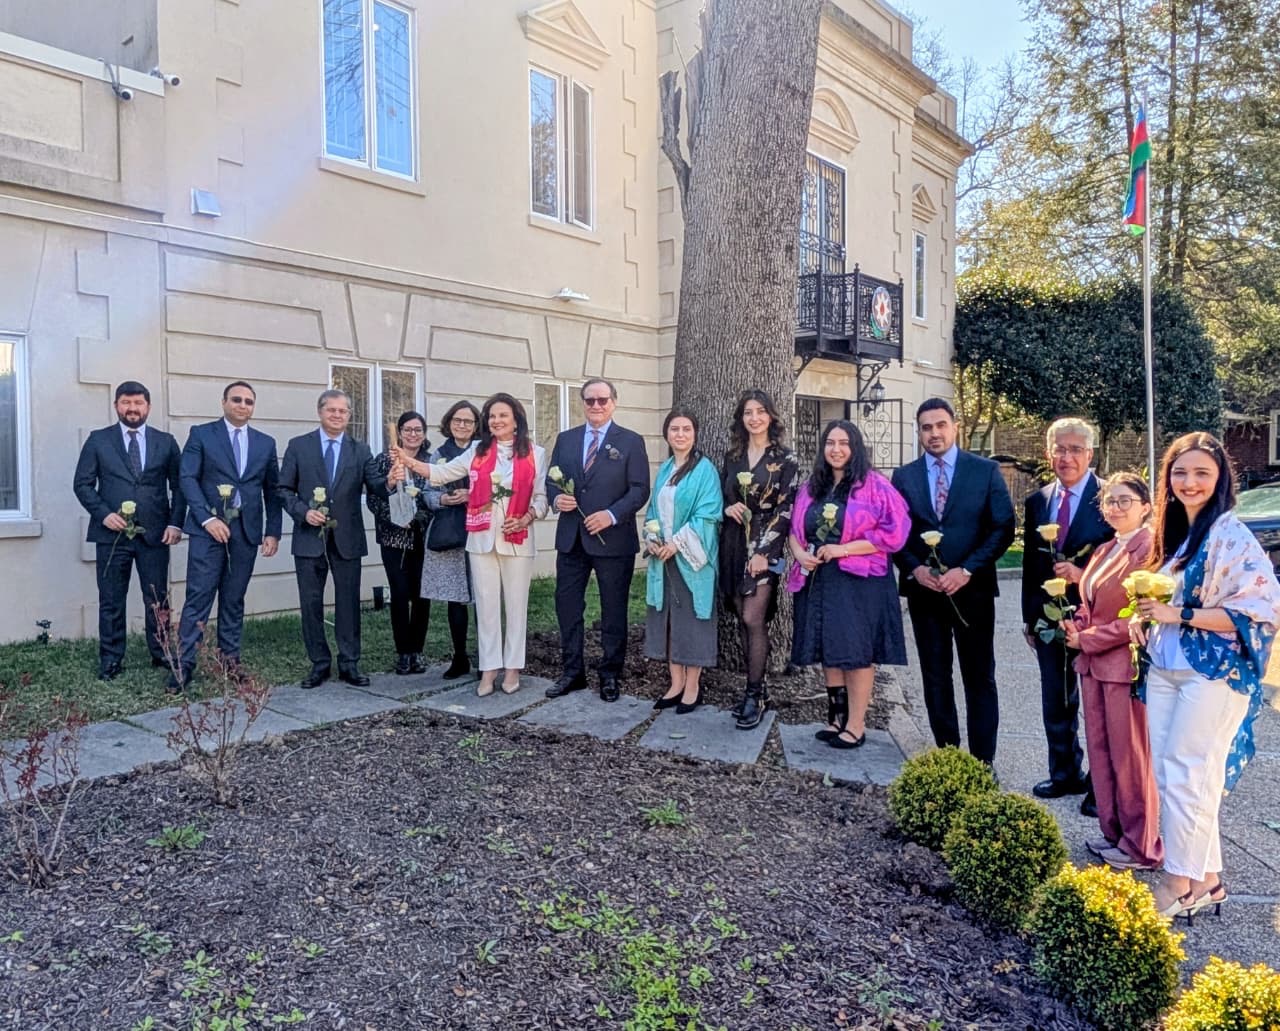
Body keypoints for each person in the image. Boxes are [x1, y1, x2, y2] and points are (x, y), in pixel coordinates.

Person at [1130, 432, 1280, 919]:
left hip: (1212, 673)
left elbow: (1261, 609)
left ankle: (1179, 883)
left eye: (1201, 473)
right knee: (1177, 774)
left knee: (1188, 772)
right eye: (1180, 472)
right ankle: (1209, 878)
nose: (1189, 482)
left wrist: (1180, 616)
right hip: (1166, 666)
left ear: (1220, 479)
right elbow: (1164, 600)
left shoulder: (1231, 534)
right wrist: (1144, 618)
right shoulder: (1175, 534)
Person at [393, 393, 548, 697]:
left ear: (516, 420)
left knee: (516, 607)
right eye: (491, 416)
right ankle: (489, 668)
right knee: (486, 607)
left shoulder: (535, 453)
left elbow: (541, 499)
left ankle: (513, 668)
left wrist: (527, 518)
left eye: (502, 415)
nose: (496, 421)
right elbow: (442, 473)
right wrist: (407, 460)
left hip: (517, 539)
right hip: (481, 539)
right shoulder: (478, 450)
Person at [891, 398, 1015, 766]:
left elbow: (1003, 528)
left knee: (979, 677)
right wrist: (915, 569)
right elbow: (895, 533)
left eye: (941, 425)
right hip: (925, 594)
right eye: (926, 427)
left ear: (955, 427)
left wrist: (967, 569)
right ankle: (948, 757)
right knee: (935, 675)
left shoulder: (985, 471)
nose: (934, 433)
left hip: (972, 592)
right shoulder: (905, 477)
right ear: (918, 432)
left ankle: (982, 763)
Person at [1063, 472, 1162, 871]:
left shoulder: (1149, 548)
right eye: (1109, 501)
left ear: (1145, 507)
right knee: (1102, 753)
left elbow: (1140, 618)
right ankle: (1114, 833)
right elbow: (1091, 601)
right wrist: (1076, 622)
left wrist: (1087, 638)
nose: (1115, 508)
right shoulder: (1106, 548)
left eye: (1124, 500)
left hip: (1124, 666)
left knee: (1130, 757)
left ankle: (1142, 846)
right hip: (1093, 667)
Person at [788, 420, 909, 748]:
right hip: (820, 579)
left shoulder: (874, 485)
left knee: (856, 651)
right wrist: (799, 554)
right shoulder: (812, 487)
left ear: (855, 447)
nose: (836, 449)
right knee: (829, 647)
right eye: (830, 443)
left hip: (859, 582)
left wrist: (843, 550)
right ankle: (836, 718)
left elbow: (895, 533)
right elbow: (795, 531)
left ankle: (856, 725)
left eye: (843, 443)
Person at [1022, 418, 1113, 813]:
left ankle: (1101, 787)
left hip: (1097, 618)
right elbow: (1031, 565)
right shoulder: (1037, 501)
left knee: (1099, 704)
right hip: (1050, 620)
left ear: (1089, 454)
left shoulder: (1110, 498)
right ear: (1049, 454)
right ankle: (1064, 773)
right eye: (1060, 449)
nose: (1067, 456)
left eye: (1076, 449)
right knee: (1056, 700)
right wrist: (1030, 619)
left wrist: (1084, 575)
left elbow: (1124, 559)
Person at [545, 378, 651, 702]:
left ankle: (610, 674)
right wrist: (556, 499)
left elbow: (640, 489)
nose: (596, 405)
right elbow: (551, 481)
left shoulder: (631, 441)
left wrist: (611, 514)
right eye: (590, 400)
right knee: (567, 607)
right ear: (582, 403)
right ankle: (572, 672)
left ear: (613, 402)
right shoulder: (566, 439)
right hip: (572, 539)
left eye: (602, 400)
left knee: (613, 610)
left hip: (613, 540)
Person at [73, 380, 186, 681]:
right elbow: (82, 484)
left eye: (138, 403)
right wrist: (104, 514)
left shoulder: (166, 442)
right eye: (126, 402)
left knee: (157, 599)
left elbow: (179, 486)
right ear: (116, 406)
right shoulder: (99, 440)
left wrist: (175, 523)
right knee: (111, 599)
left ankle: (161, 652)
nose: (132, 408)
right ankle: (111, 659)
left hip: (155, 534)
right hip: (112, 536)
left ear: (148, 406)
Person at [173, 381, 281, 691]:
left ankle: (230, 662)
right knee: (198, 598)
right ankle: (183, 665)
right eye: (236, 399)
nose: (242, 405)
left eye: (248, 401)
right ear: (224, 403)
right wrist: (206, 518)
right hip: (208, 531)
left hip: (246, 533)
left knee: (234, 599)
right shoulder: (202, 434)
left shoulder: (265, 443)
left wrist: (272, 531)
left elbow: (272, 490)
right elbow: (187, 478)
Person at [278, 389, 386, 689]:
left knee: (348, 603)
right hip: (309, 538)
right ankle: (319, 663)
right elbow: (283, 489)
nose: (337, 415)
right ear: (320, 411)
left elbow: (377, 486)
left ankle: (349, 663)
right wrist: (303, 512)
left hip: (347, 539)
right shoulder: (299, 446)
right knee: (311, 602)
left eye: (343, 411)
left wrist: (391, 480)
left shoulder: (360, 450)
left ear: (349, 415)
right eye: (331, 410)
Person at [719, 389, 800, 729]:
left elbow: (786, 508)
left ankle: (754, 695)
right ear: (741, 418)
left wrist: (765, 553)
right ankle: (758, 689)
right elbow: (724, 494)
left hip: (765, 545)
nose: (754, 418)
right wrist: (728, 508)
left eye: (760, 411)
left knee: (754, 618)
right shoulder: (733, 456)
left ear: (771, 416)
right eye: (748, 412)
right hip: (734, 542)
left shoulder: (786, 459)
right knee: (741, 617)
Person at [645, 407, 722, 713]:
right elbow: (653, 511)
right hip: (662, 557)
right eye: (674, 429)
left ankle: (692, 686)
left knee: (691, 621)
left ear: (695, 434)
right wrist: (652, 538)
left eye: (686, 429)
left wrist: (676, 544)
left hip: (691, 559)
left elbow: (709, 514)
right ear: (666, 434)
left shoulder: (705, 470)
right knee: (669, 622)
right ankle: (675, 683)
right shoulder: (665, 469)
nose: (680, 434)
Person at [419, 400, 481, 681]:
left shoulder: (484, 451)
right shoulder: (439, 455)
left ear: (476, 425)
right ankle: (459, 656)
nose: (462, 425)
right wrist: (443, 499)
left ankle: (487, 657)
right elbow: (426, 493)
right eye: (457, 420)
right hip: (449, 532)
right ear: (449, 422)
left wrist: (473, 496)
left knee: (483, 596)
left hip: (480, 528)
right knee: (455, 598)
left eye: (468, 421)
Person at [368, 411, 432, 676]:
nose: (412, 434)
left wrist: (416, 518)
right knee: (400, 592)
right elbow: (374, 498)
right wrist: (396, 516)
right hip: (393, 538)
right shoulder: (385, 460)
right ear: (400, 432)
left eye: (418, 430)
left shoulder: (429, 462)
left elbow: (434, 497)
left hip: (421, 537)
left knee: (421, 595)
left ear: (424, 434)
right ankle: (403, 651)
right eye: (407, 429)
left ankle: (417, 650)